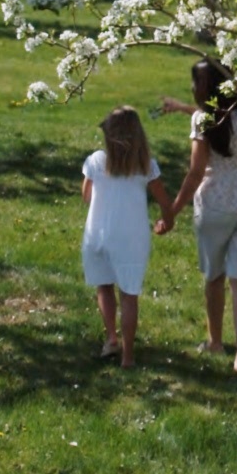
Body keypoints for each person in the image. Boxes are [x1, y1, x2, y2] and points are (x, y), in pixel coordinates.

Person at [160, 59, 237, 376]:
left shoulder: (205, 121)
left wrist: (172, 211)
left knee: (215, 279)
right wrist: (182, 109)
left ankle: (216, 341)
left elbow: (195, 174)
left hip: (217, 206)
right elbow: (217, 116)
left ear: (204, 90)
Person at [81, 106, 176, 369]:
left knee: (104, 286)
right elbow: (164, 201)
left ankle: (111, 337)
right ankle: (128, 356)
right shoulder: (146, 166)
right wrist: (167, 220)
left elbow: (86, 196)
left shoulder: (96, 162)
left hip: (97, 233)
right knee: (129, 295)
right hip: (131, 237)